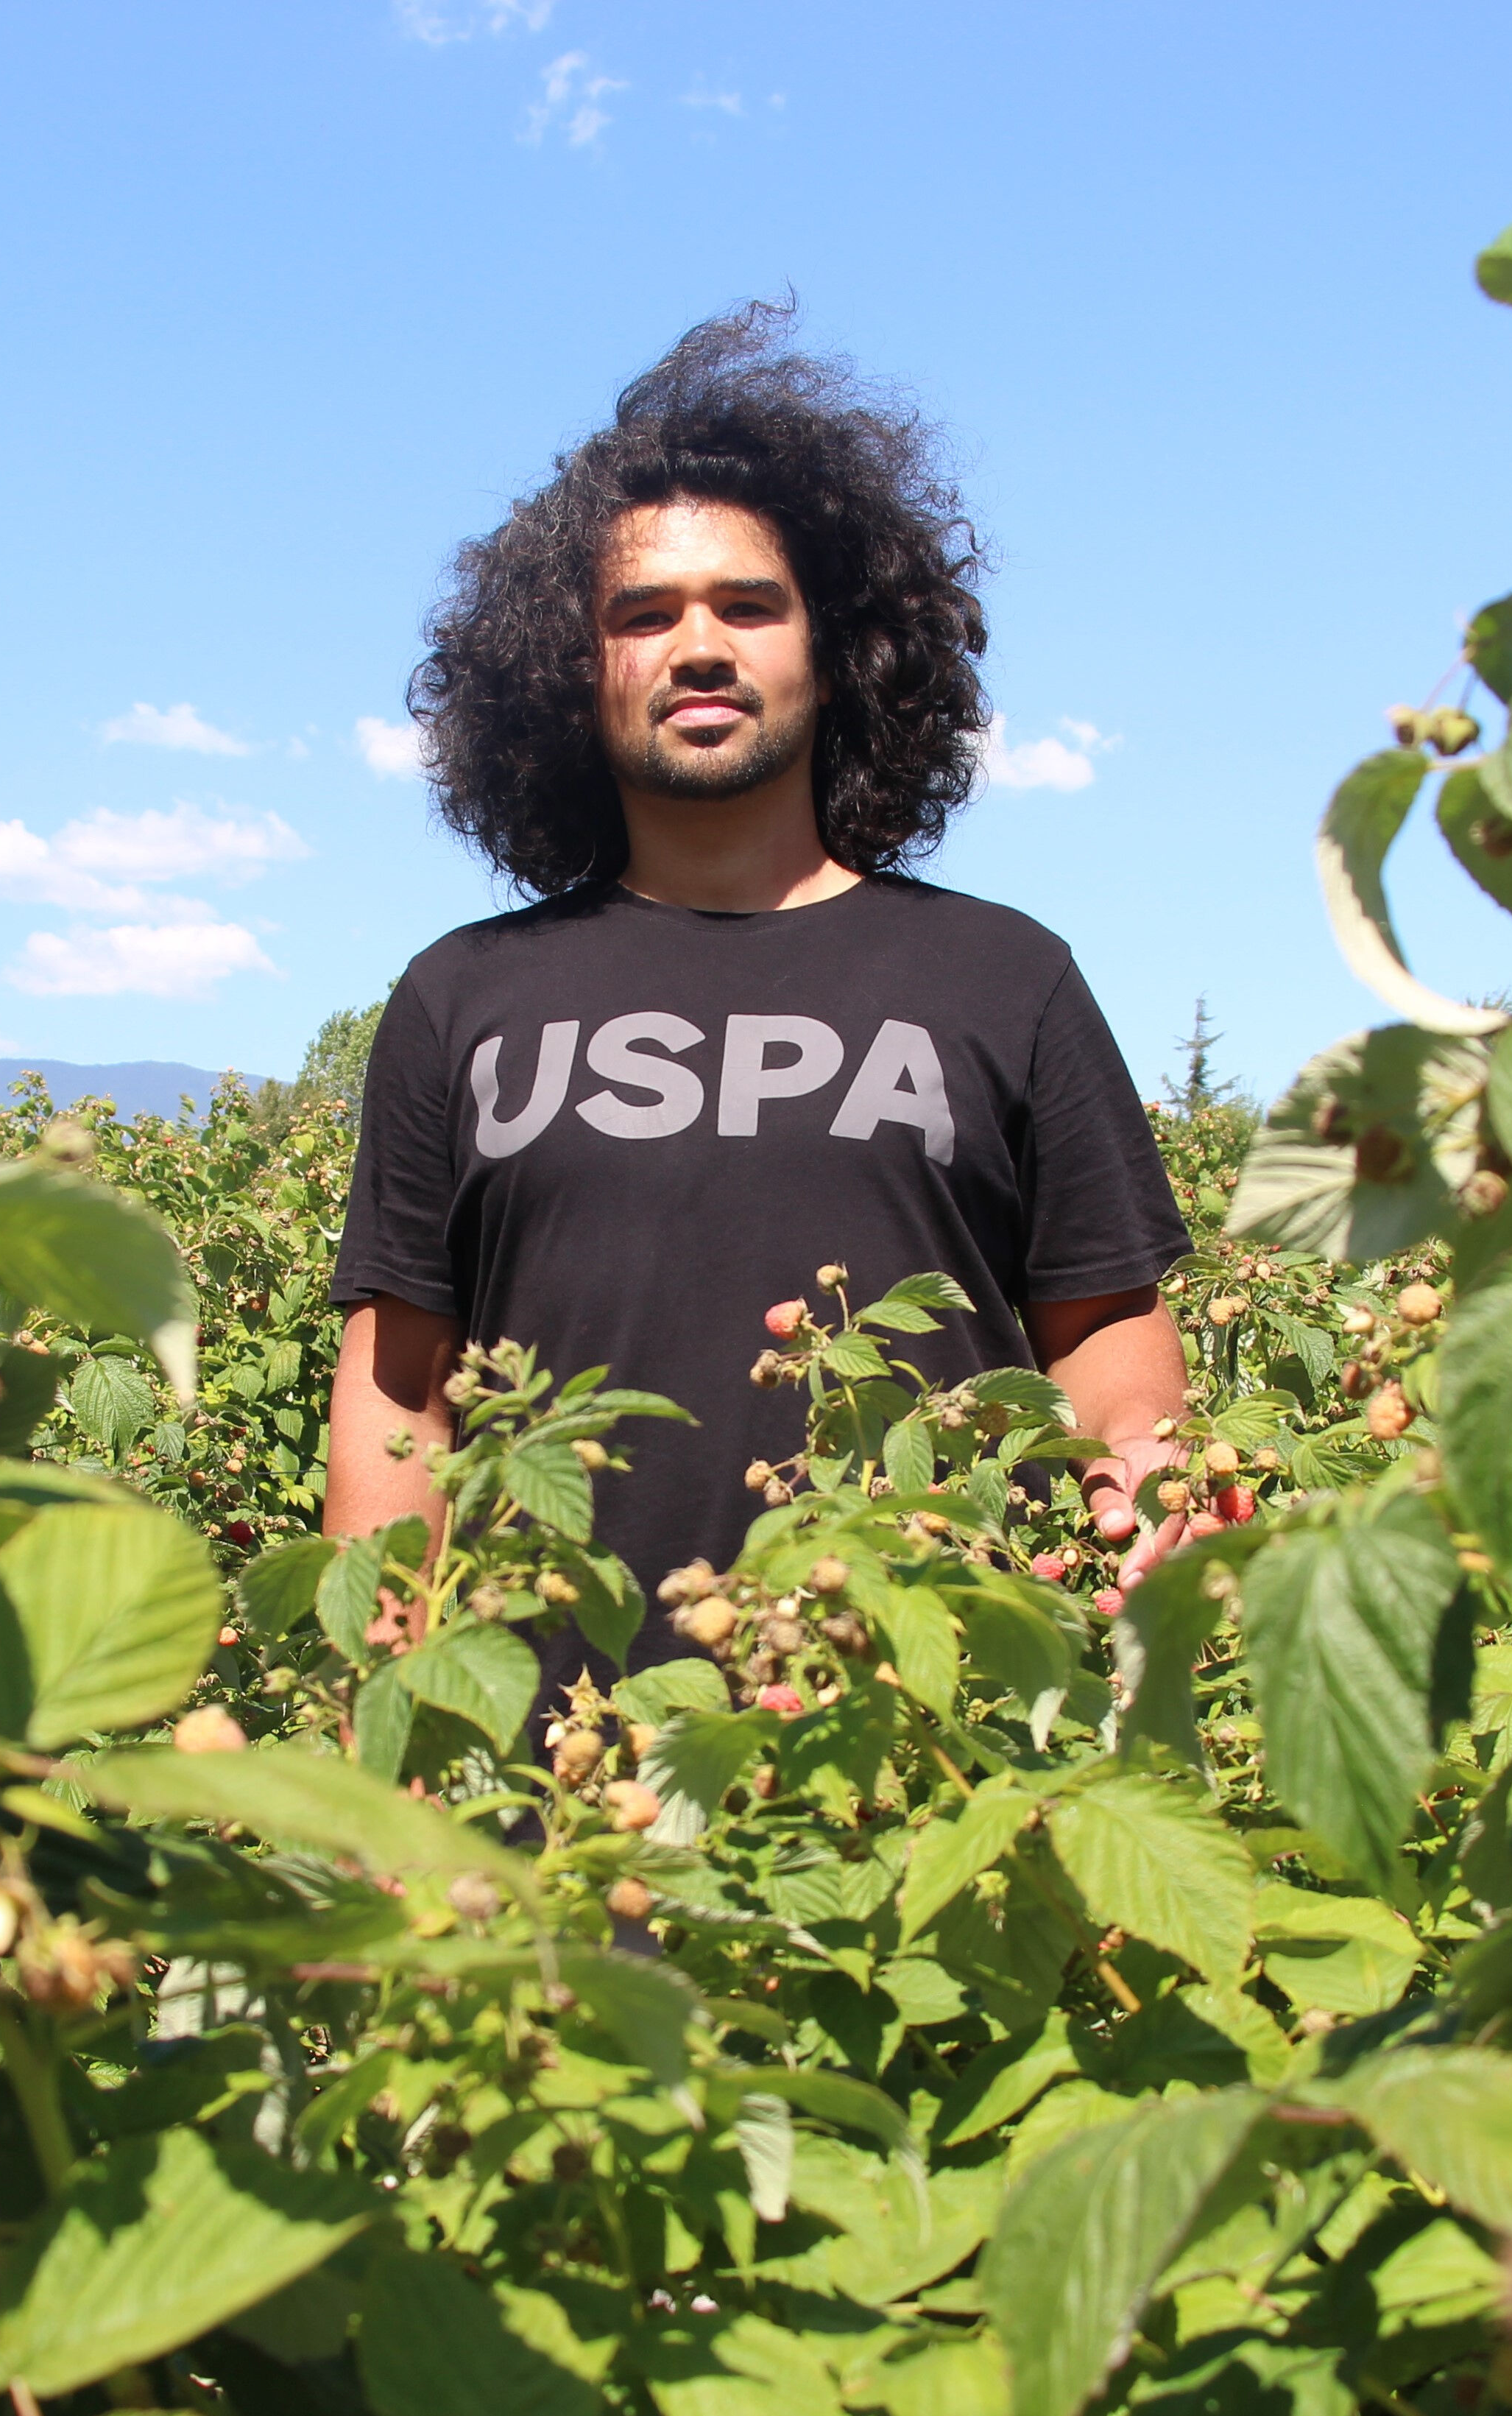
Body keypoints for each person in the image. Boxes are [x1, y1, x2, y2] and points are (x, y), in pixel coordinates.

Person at [325, 306, 1203, 1681]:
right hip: (559, 1790)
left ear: (836, 646)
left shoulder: (1004, 975)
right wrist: (394, 1735)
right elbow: (403, 1399)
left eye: (748, 604)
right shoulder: (461, 998)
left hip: (928, 1738)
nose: (699, 647)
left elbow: (1100, 1326)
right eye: (643, 614)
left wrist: (1146, 1482)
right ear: (572, 668)